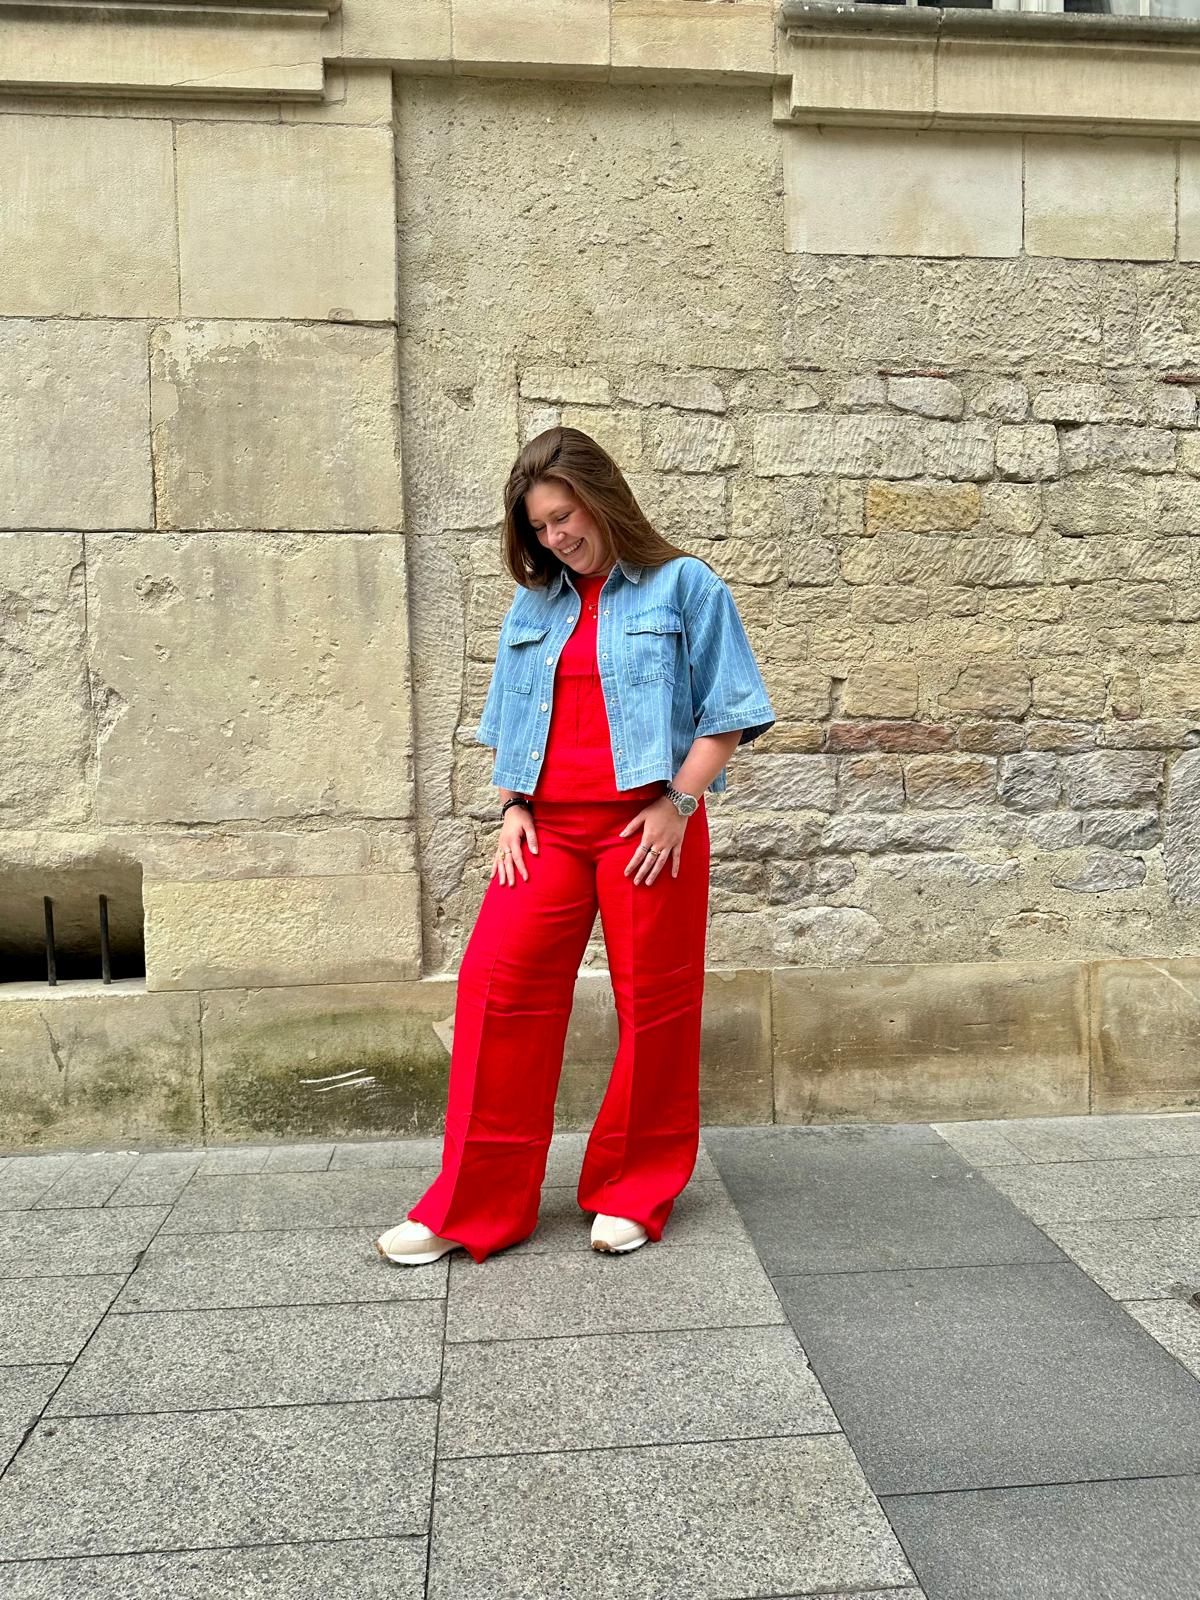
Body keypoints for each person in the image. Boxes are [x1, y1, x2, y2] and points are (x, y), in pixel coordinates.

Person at [375, 426, 774, 1267]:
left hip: (648, 829)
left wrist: (678, 803)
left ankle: (634, 1187)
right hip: (547, 829)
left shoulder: (684, 585)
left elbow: (731, 710)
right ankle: (476, 1206)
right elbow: (511, 717)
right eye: (540, 527)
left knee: (655, 1009)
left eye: (564, 517)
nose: (555, 537)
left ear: (602, 499)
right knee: (496, 993)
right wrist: (512, 807)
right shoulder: (535, 605)